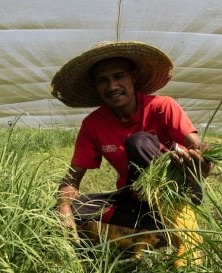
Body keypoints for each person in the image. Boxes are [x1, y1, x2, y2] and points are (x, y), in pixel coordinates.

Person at [50, 41, 211, 256]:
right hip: (134, 197)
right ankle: (151, 234)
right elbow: (72, 178)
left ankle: (183, 232)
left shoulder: (162, 107)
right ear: (96, 86)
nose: (112, 86)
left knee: (139, 142)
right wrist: (63, 206)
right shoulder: (93, 124)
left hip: (177, 193)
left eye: (118, 76)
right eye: (103, 80)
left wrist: (201, 165)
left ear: (133, 77)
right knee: (70, 210)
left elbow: (197, 148)